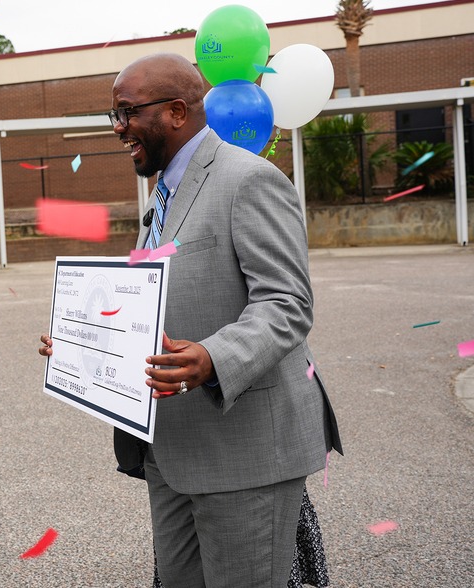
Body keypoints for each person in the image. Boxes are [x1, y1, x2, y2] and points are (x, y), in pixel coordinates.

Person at [40, 53, 341, 587]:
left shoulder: (249, 180)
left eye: (127, 112)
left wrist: (213, 357)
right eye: (114, 114)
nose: (118, 128)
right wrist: (85, 344)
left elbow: (287, 303)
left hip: (243, 453)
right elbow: (150, 301)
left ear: (177, 111)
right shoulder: (162, 193)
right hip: (170, 453)